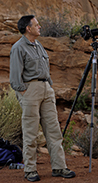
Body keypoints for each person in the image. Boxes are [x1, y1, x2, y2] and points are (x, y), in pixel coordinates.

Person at [10, 15, 76, 182]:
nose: (40, 27)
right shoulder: (18, 47)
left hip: (46, 89)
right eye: (36, 25)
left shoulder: (39, 45)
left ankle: (59, 167)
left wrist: (49, 86)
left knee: (53, 131)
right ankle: (30, 170)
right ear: (28, 28)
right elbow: (15, 77)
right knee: (31, 133)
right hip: (30, 91)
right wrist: (24, 92)